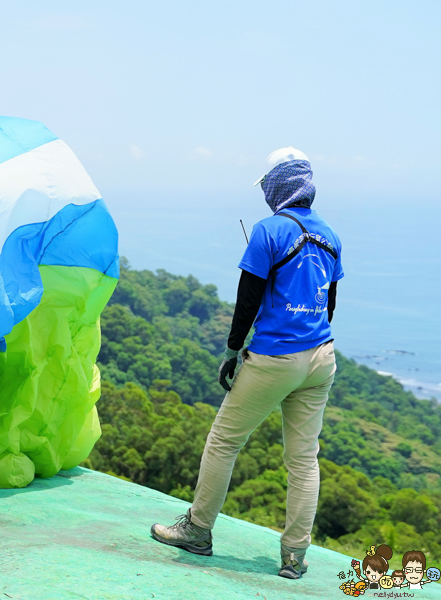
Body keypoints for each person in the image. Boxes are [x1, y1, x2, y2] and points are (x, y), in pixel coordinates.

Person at [150, 147, 344, 580]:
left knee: (224, 442)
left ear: (278, 185)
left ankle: (197, 530)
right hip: (321, 358)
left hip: (275, 358)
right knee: (303, 460)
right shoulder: (331, 235)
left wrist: (232, 351)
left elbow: (248, 299)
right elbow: (329, 304)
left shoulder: (267, 230)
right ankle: (294, 556)